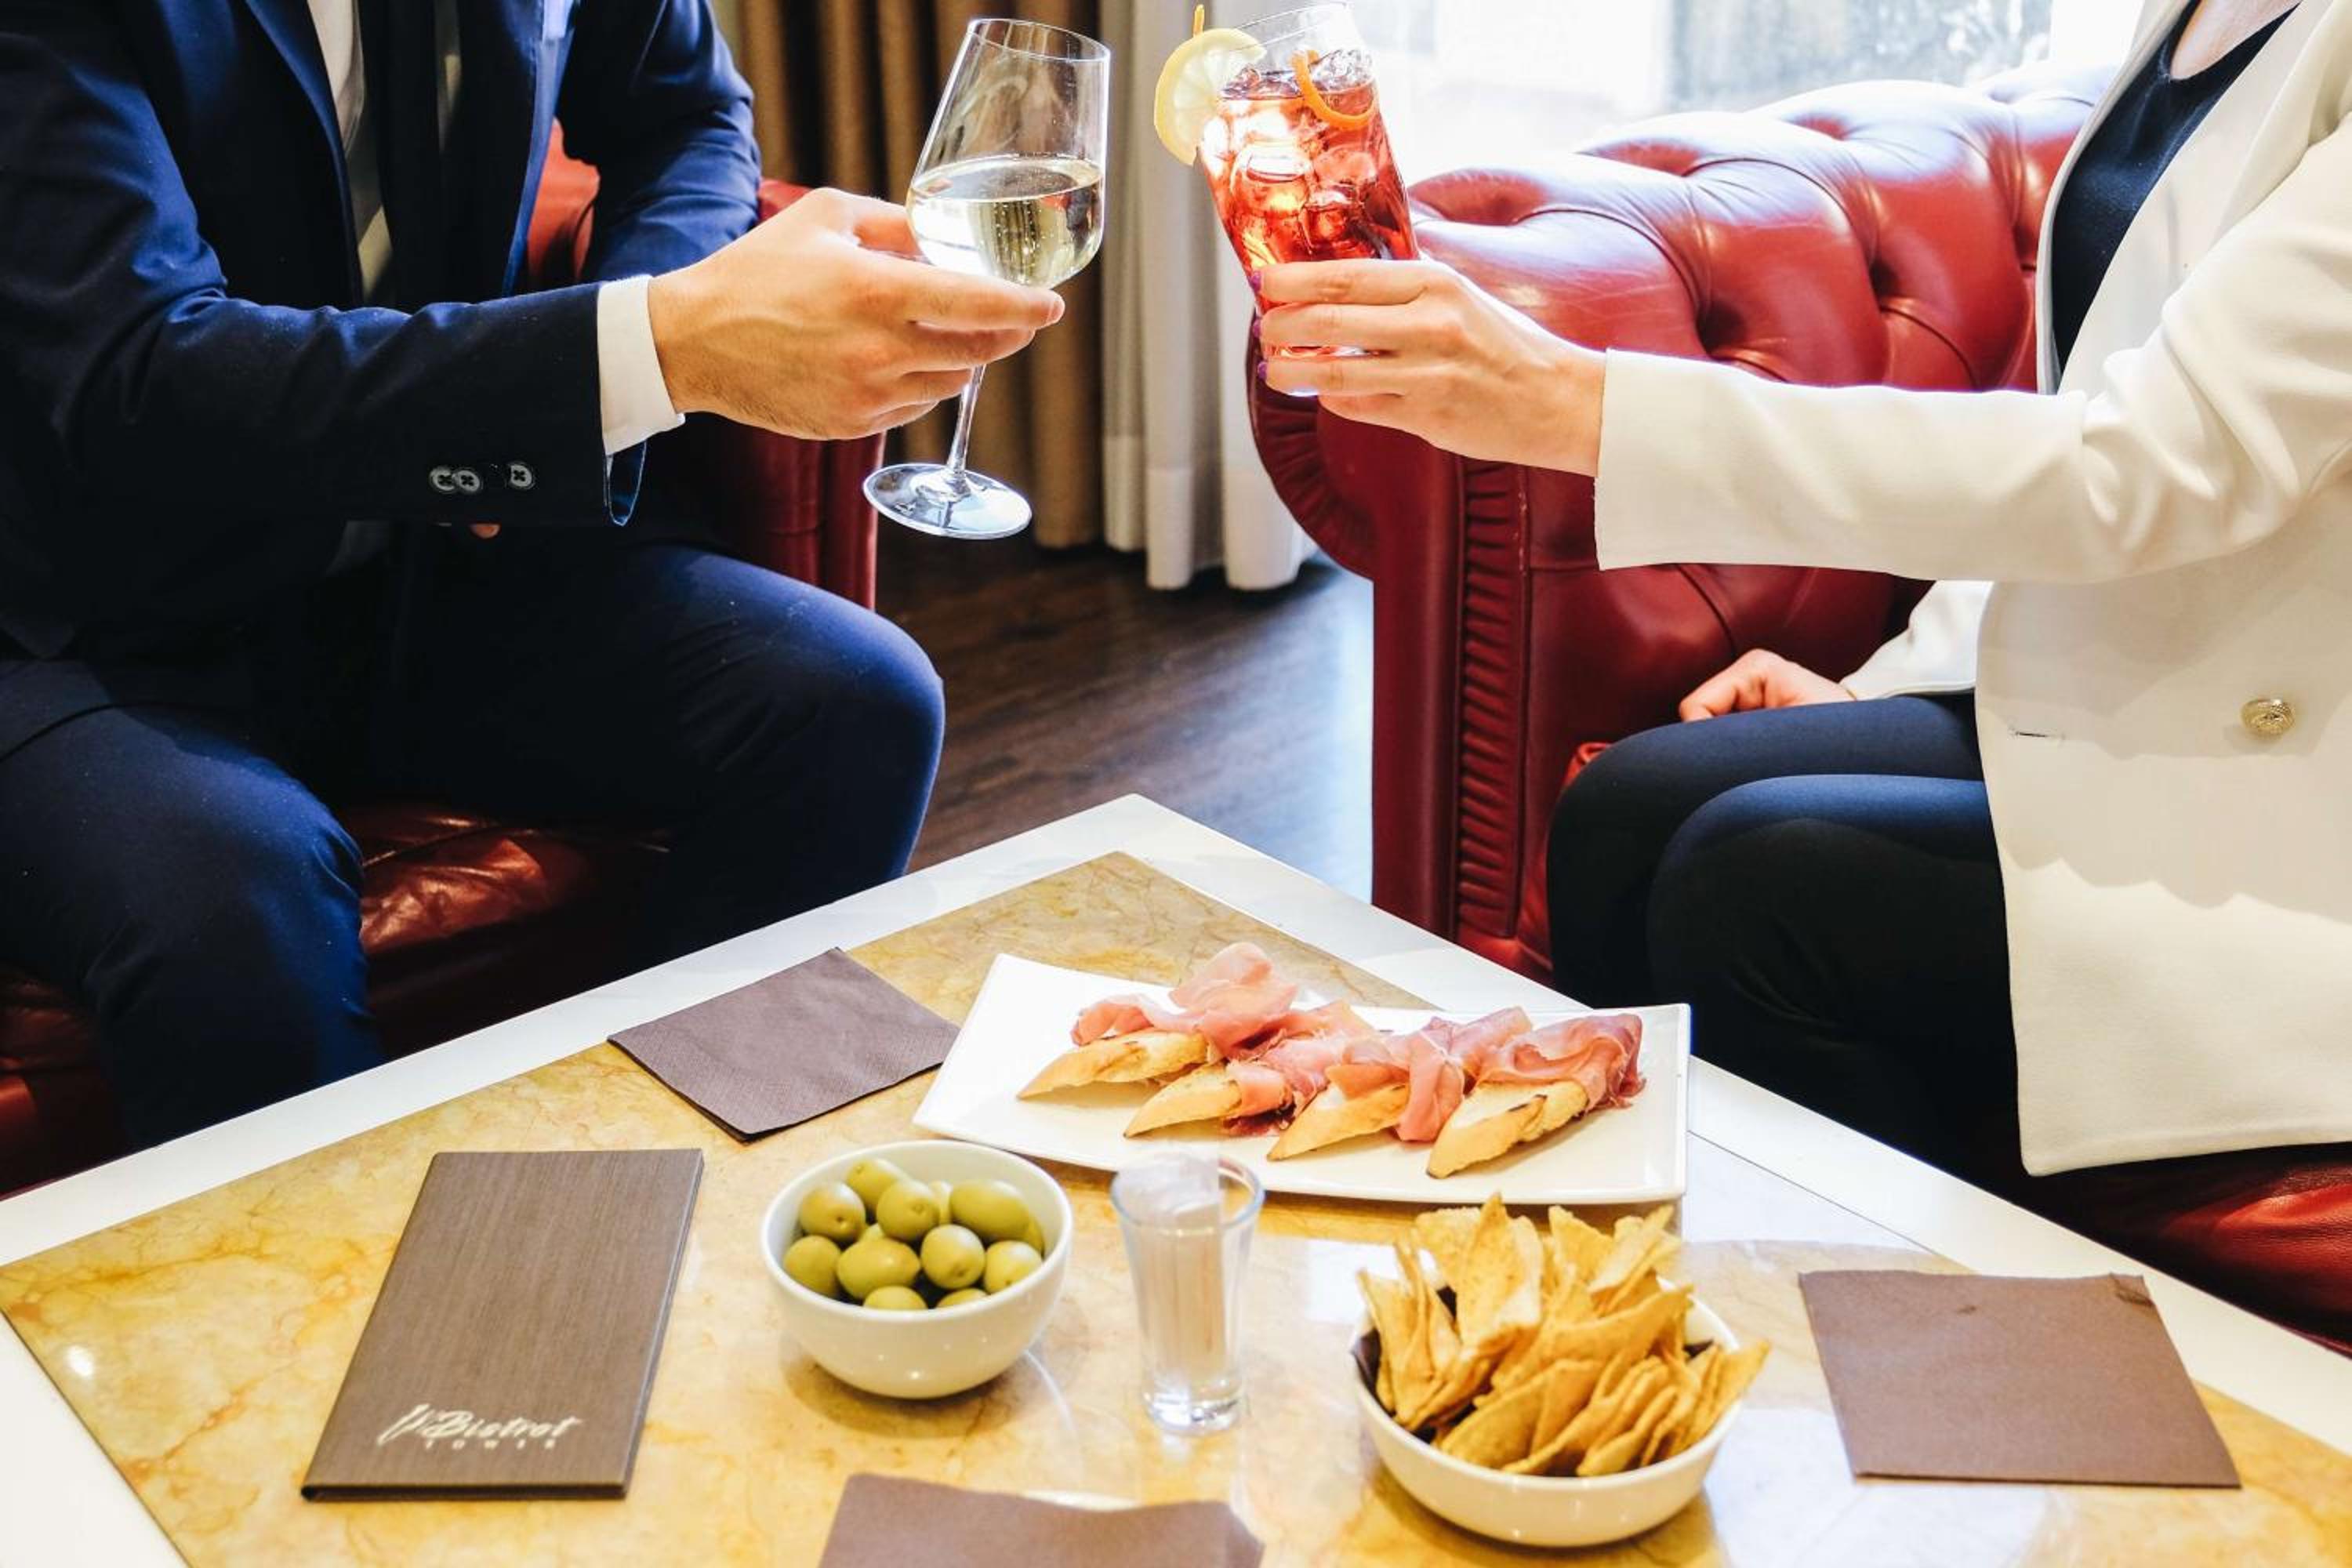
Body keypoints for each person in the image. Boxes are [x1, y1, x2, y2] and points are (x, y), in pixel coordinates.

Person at [1250, 0, 2352, 1180]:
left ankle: (1927, 1290)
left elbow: (2147, 466)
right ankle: (1621, 1272)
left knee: (1748, 892)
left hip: (2303, 799)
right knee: (1622, 815)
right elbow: (2089, 414)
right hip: (2149, 685)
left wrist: (1586, 406)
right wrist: (1889, 681)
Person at [0, 0, 1064, 1147]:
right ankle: (357, 1264)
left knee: (855, 702)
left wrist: (617, 374)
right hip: (96, 617)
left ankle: (679, 1184)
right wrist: (647, 352)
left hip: (446, 558)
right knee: (231, 904)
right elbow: (138, 378)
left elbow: (689, 115)